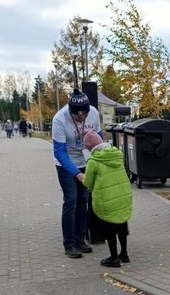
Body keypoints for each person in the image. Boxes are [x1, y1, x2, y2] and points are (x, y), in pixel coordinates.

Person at [52, 88, 101, 258]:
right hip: (66, 164)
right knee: (71, 200)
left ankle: (80, 239)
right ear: (71, 112)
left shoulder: (93, 113)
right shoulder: (59, 119)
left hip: (86, 161)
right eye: (78, 117)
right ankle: (69, 243)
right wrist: (76, 174)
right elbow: (59, 151)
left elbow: (98, 139)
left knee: (83, 201)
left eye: (84, 116)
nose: (82, 119)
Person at [82, 130, 132, 268]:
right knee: (121, 224)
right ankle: (124, 254)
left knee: (110, 228)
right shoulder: (116, 154)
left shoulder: (93, 161)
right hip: (122, 195)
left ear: (90, 147)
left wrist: (81, 177)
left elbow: (88, 183)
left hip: (107, 199)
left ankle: (114, 258)